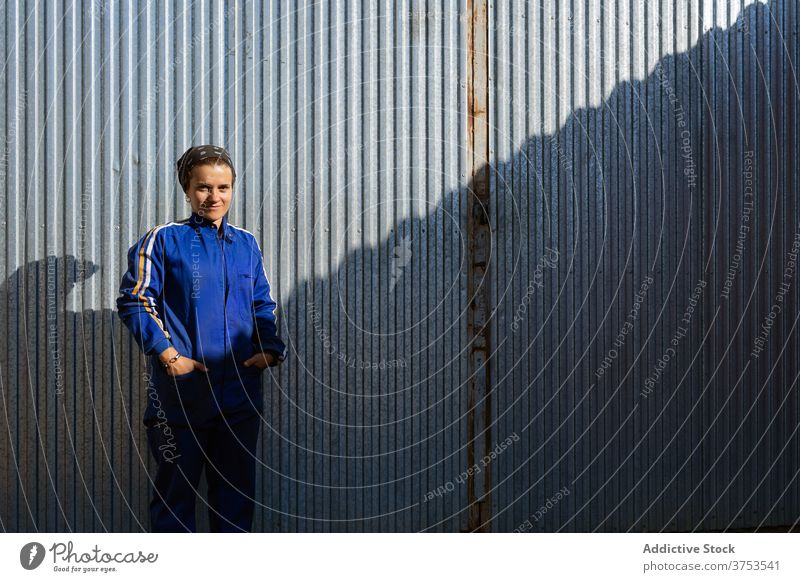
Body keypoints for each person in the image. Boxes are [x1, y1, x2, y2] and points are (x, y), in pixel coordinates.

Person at [116, 145, 287, 532]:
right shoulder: (163, 240)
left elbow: (262, 304)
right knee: (174, 506)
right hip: (181, 400)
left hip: (239, 399)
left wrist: (269, 350)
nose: (214, 197)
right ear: (187, 189)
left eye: (223, 187)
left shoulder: (245, 243)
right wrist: (170, 356)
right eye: (203, 188)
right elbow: (135, 300)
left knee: (235, 503)